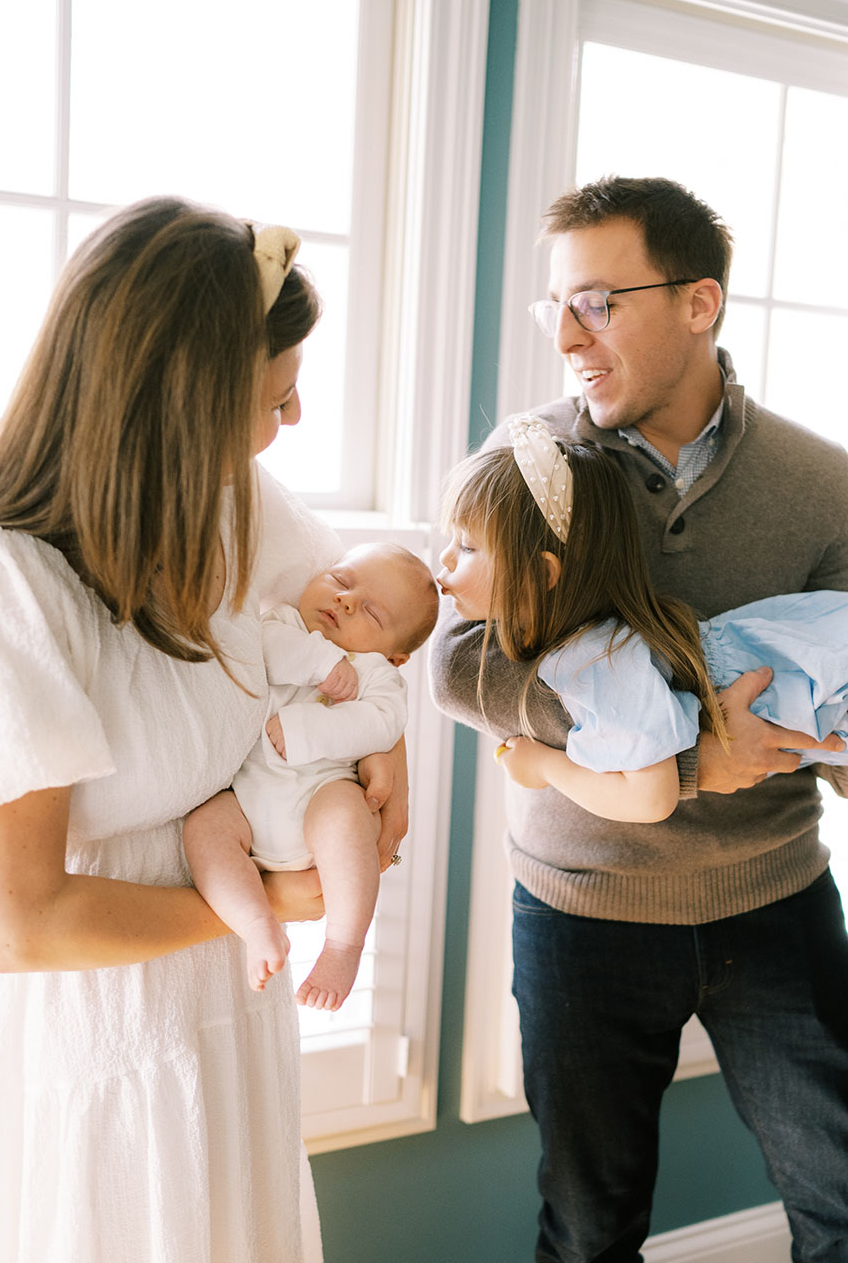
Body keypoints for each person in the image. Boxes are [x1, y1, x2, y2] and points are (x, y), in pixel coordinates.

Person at [428, 176, 848, 1261]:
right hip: (581, 911)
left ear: (700, 303)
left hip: (775, 903)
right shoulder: (527, 467)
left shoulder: (823, 485)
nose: (566, 334)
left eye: (599, 302)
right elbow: (460, 660)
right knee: (588, 1228)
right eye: (554, 306)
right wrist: (682, 749)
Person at [0, 196, 407, 1263]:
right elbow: (21, 920)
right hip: (105, 1040)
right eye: (277, 396)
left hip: (232, 1016)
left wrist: (381, 751)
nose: (298, 418)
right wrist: (264, 902)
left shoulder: (237, 505)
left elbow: (359, 628)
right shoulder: (18, 587)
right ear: (183, 406)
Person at [438, 413, 847, 826]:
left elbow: (651, 799)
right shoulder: (596, 650)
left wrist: (543, 765)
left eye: (468, 546)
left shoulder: (594, 662)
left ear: (543, 574)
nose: (445, 558)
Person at [184, 541, 438, 1008]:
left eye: (372, 613)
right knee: (203, 828)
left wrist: (307, 730)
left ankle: (343, 944)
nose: (345, 600)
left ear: (396, 655)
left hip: (320, 794)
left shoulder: (379, 675)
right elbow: (263, 652)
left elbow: (383, 723)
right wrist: (322, 661)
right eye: (341, 581)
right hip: (246, 798)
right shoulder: (282, 624)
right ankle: (259, 925)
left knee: (346, 814)